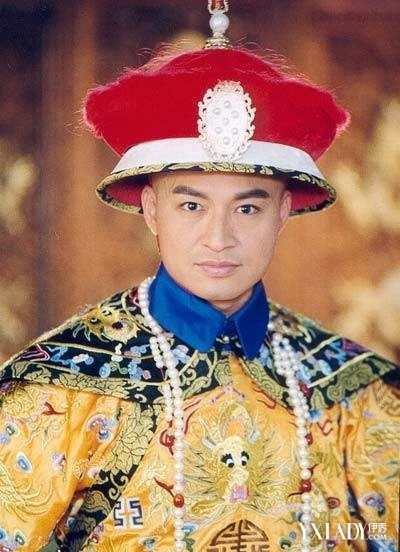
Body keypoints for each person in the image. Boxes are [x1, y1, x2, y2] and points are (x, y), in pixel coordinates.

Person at [0, 3, 399, 552]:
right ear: (150, 209)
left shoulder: (358, 393)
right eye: (191, 206)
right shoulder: (57, 390)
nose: (219, 237)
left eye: (248, 208)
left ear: (284, 211)